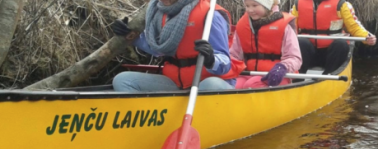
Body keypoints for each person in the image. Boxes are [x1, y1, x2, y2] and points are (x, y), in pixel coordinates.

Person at [110, 0, 244, 92]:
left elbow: (225, 63)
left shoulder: (210, 15)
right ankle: (149, 126)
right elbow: (158, 50)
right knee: (123, 80)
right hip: (175, 83)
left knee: (212, 85)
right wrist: (131, 35)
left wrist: (211, 59)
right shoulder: (159, 13)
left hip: (205, 83)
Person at [230, 0, 302, 89]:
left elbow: (295, 57)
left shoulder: (284, 27)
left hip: (276, 75)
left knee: (252, 85)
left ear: (267, 5)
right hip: (248, 74)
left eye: (254, 5)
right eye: (247, 6)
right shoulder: (242, 25)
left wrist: (283, 67)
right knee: (233, 86)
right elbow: (234, 55)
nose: (250, 10)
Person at [291, 0, 376, 74]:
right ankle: (297, 78)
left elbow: (354, 26)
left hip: (331, 54)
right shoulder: (298, 5)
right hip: (309, 53)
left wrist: (366, 37)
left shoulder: (341, 5)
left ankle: (328, 75)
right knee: (300, 42)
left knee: (341, 44)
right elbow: (290, 29)